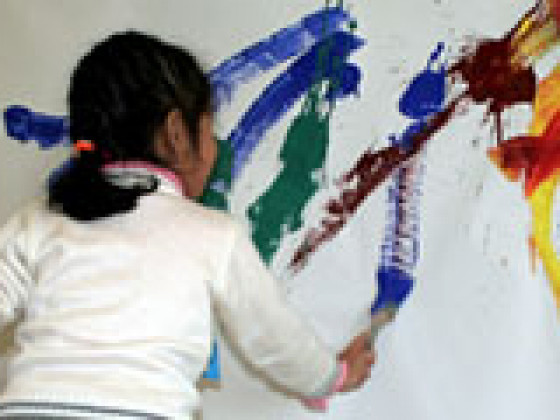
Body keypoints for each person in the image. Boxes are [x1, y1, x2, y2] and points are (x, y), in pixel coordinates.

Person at [0, 31, 375, 419]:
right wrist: (331, 378)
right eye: (209, 131)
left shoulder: (38, 219)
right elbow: (274, 338)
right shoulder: (213, 234)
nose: (216, 147)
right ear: (177, 134)